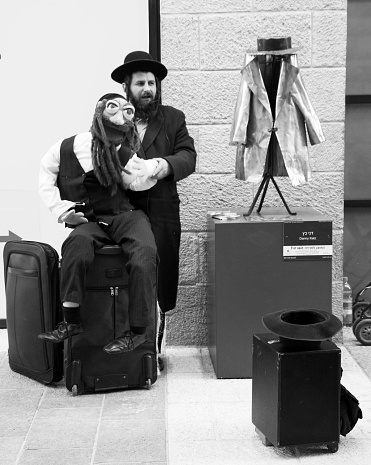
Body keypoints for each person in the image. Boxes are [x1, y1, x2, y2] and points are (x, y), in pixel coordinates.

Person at [38, 93, 159, 354]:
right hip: (90, 219)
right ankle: (71, 322)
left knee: (144, 254)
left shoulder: (125, 152)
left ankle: (137, 332)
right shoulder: (65, 148)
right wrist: (63, 211)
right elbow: (45, 178)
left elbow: (133, 182)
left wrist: (149, 175)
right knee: (75, 247)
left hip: (124, 215)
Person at [111, 51, 197, 361]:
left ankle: (155, 349)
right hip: (124, 212)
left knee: (162, 279)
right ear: (127, 87)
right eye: (140, 84)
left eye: (152, 83)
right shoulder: (112, 117)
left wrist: (162, 165)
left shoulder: (174, 118)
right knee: (128, 274)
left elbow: (188, 156)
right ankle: (125, 339)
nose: (148, 89)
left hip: (162, 211)